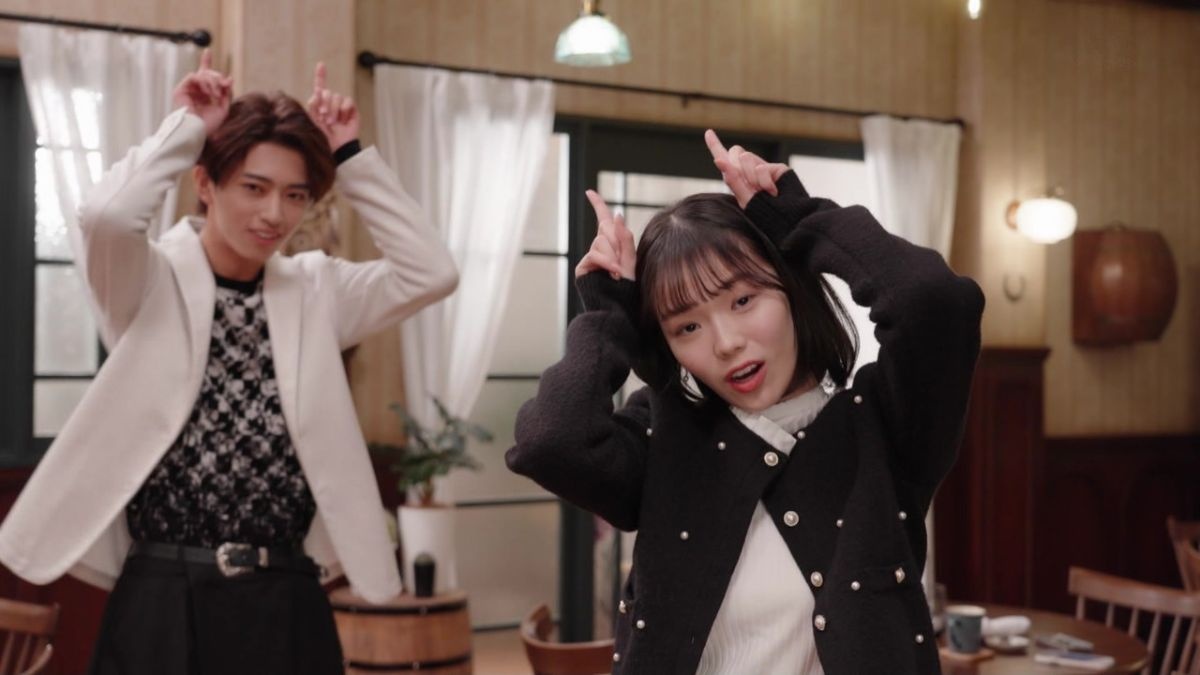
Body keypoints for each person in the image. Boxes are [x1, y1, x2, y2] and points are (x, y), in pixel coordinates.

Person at [0, 51, 458, 674]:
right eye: (254, 187)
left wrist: (349, 155)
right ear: (206, 184)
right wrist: (188, 127)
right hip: (161, 591)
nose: (274, 214)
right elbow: (107, 215)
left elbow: (432, 272)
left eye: (295, 195)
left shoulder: (318, 290)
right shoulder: (146, 281)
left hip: (287, 591)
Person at [506, 130, 984, 674]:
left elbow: (935, 302)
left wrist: (799, 219)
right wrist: (608, 313)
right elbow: (549, 442)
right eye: (687, 326)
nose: (726, 342)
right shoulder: (665, 437)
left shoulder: (885, 428)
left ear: (792, 291)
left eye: (743, 299)